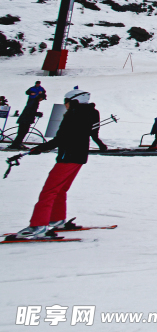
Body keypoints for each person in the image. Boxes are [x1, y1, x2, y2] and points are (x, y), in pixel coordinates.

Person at [9, 88, 103, 240]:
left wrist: (40, 148)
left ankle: (38, 226)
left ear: (74, 101)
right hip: (79, 157)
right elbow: (92, 133)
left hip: (67, 157)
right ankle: (57, 219)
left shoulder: (73, 114)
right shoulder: (91, 112)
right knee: (60, 190)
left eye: (66, 102)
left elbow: (61, 138)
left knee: (49, 191)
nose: (65, 105)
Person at [7, 81, 46, 150]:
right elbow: (29, 111)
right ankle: (16, 144)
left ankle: (17, 144)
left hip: (25, 119)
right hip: (25, 120)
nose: (41, 100)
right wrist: (37, 114)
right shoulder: (34, 102)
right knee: (22, 132)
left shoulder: (35, 101)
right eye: (42, 99)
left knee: (22, 132)